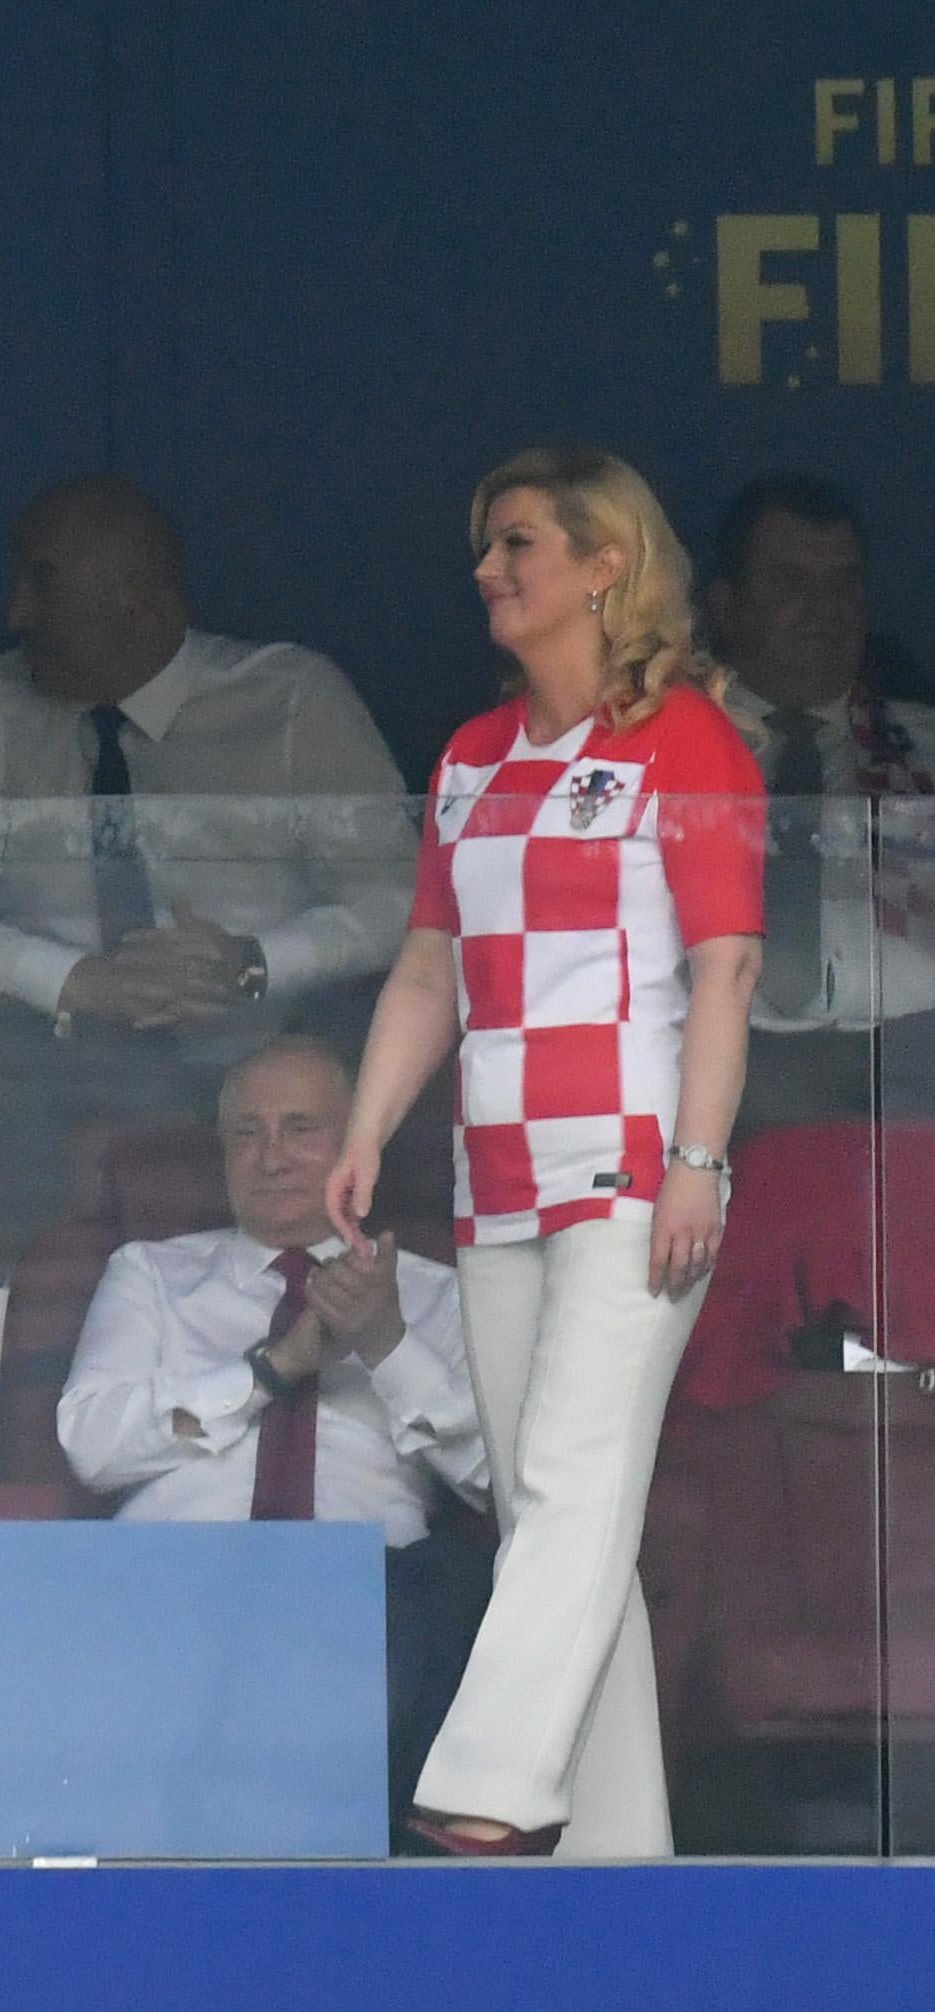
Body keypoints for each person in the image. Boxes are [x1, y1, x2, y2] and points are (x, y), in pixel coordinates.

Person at [325, 447, 764, 1858]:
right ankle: (619, 1857)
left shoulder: (686, 738)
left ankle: (491, 1791)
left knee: (575, 1484)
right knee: (549, 1512)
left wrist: (699, 1157)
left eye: (516, 543)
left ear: (605, 563)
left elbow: (730, 967)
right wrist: (366, 1125)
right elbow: (422, 971)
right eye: (483, 547)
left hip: (633, 1163)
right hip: (494, 1176)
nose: (488, 572)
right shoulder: (466, 755)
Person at [0, 475, 413, 1275]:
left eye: (40, 581)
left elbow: (405, 903)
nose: (14, 614)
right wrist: (76, 981)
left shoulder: (291, 698)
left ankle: (333, 1329)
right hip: (64, 1057)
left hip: (262, 1039)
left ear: (131, 595)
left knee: (355, 1048)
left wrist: (253, 963)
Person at [59, 1034, 490, 1813]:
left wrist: (385, 1342)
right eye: (246, 1134)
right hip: (171, 1576)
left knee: (448, 1591)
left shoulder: (434, 1293)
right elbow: (90, 1446)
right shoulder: (151, 1273)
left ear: (356, 1145)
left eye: (301, 1130)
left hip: (370, 1591)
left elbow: (496, 1482)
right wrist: (269, 1369)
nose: (270, 1157)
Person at [702, 475, 935, 1126]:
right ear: (725, 605)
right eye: (788, 584)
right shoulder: (659, 751)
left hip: (903, 1078)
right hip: (697, 1069)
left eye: (842, 585)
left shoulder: (924, 748)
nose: (822, 608)